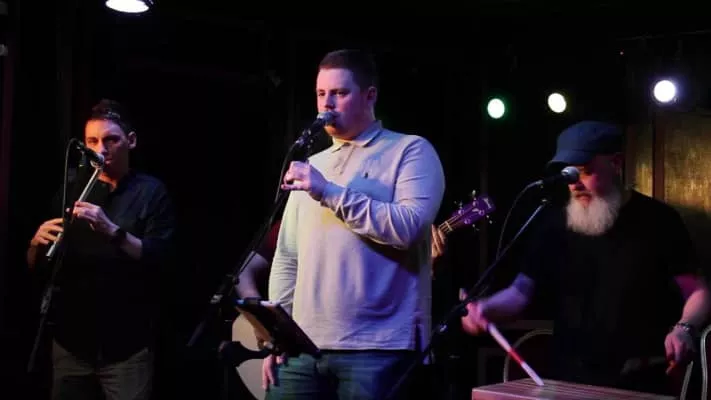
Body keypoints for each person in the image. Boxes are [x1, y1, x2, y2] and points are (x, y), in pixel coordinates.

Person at [461, 120, 711, 395]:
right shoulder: (553, 224)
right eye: (568, 174)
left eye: (585, 171)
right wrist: (486, 308)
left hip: (639, 379)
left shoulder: (659, 220)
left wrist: (684, 328)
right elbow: (520, 293)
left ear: (616, 163)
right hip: (567, 378)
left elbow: (697, 292)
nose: (575, 184)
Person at [262, 48, 445, 399]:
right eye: (321, 94)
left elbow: (409, 228)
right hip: (303, 347)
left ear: (369, 95)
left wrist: (328, 191)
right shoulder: (313, 164)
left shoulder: (411, 151)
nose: (327, 104)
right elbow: (287, 257)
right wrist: (276, 336)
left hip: (378, 349)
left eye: (339, 93)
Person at [27, 99, 176, 400]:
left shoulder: (151, 192)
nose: (101, 149)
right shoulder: (73, 188)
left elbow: (158, 257)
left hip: (126, 348)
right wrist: (34, 245)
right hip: (71, 344)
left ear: (131, 141)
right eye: (92, 141)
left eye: (111, 140)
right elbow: (37, 265)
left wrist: (111, 230)